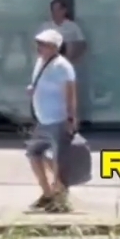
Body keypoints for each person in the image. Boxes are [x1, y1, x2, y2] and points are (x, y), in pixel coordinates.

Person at [25, 27, 78, 213]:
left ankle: (61, 197)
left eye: (44, 44)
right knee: (34, 153)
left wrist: (71, 119)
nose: (39, 47)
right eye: (38, 44)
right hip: (42, 119)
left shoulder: (63, 67)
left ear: (55, 47)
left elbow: (70, 95)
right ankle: (48, 194)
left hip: (58, 119)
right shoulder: (40, 62)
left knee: (58, 159)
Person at [42, 0, 87, 66]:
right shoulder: (45, 26)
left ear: (64, 10)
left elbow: (82, 44)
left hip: (69, 59)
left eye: (58, 10)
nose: (55, 13)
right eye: (53, 10)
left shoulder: (72, 26)